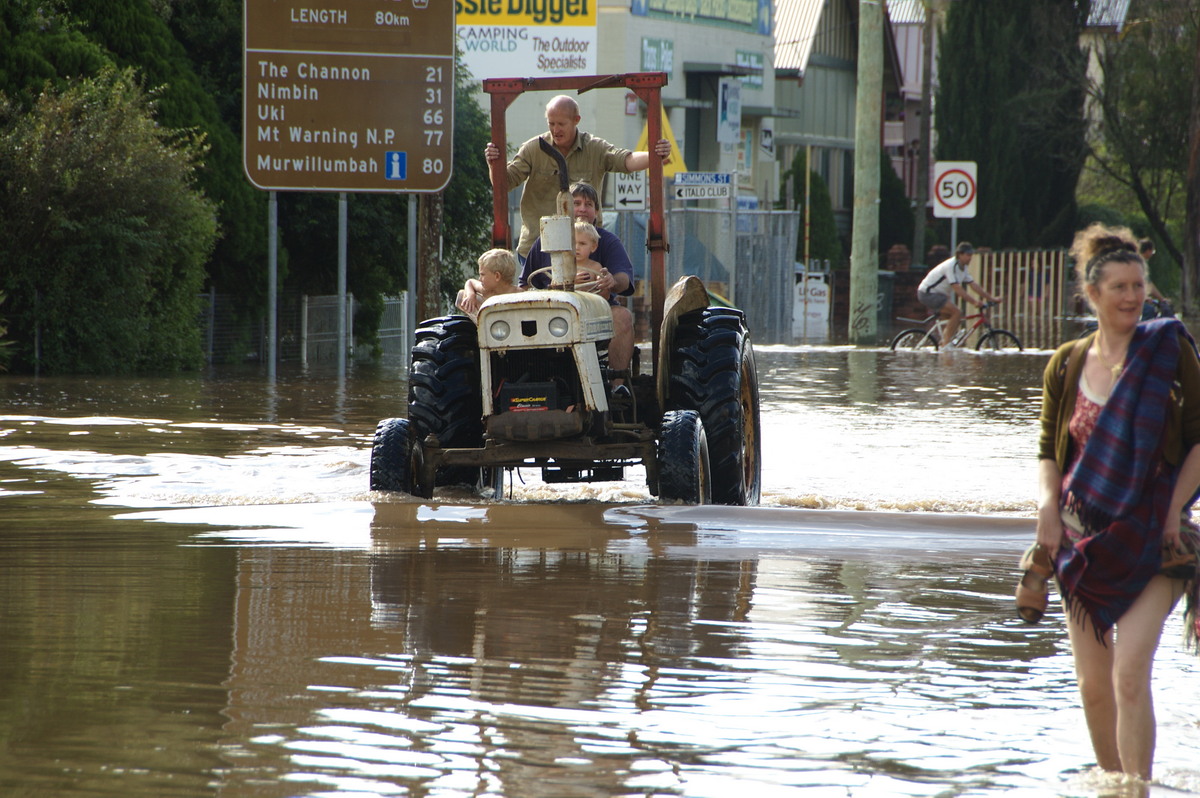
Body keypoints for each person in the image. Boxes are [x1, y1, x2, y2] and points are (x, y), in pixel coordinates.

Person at [1028, 223, 1200, 781]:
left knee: (1130, 672)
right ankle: (1116, 785)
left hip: (1159, 535)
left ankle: (1139, 790)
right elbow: (1048, 452)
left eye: (1139, 285)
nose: (1133, 297)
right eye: (1120, 287)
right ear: (1092, 294)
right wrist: (1047, 511)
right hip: (1083, 540)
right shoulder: (1067, 362)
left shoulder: (1168, 351)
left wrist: (1176, 509)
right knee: (1093, 686)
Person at [484, 94, 671, 258]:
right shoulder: (533, 149)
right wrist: (494, 164)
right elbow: (503, 184)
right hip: (538, 248)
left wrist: (654, 156)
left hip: (584, 250)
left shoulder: (594, 148)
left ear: (576, 120)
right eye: (551, 124)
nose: (555, 130)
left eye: (561, 124)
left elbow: (626, 160)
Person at [520, 182, 635, 391]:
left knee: (623, 317)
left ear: (596, 212)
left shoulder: (607, 241)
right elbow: (524, 284)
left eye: (589, 204)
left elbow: (623, 278)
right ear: (563, 208)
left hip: (596, 311)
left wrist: (611, 281)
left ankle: (616, 386)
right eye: (576, 203)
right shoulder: (544, 241)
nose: (582, 208)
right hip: (552, 311)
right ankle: (526, 384)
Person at [916, 241, 1002, 349]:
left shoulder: (963, 268)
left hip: (939, 295)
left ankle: (943, 344)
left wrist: (991, 298)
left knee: (955, 319)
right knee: (957, 312)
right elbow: (957, 288)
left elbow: (973, 285)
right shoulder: (951, 266)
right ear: (960, 254)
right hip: (927, 294)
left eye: (971, 255)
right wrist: (974, 302)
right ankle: (945, 345)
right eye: (968, 255)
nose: (970, 258)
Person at [455, 248, 521, 320]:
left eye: (482, 275)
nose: (479, 279)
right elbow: (470, 282)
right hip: (487, 325)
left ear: (497, 276)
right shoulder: (486, 290)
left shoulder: (518, 294)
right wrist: (471, 295)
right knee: (462, 295)